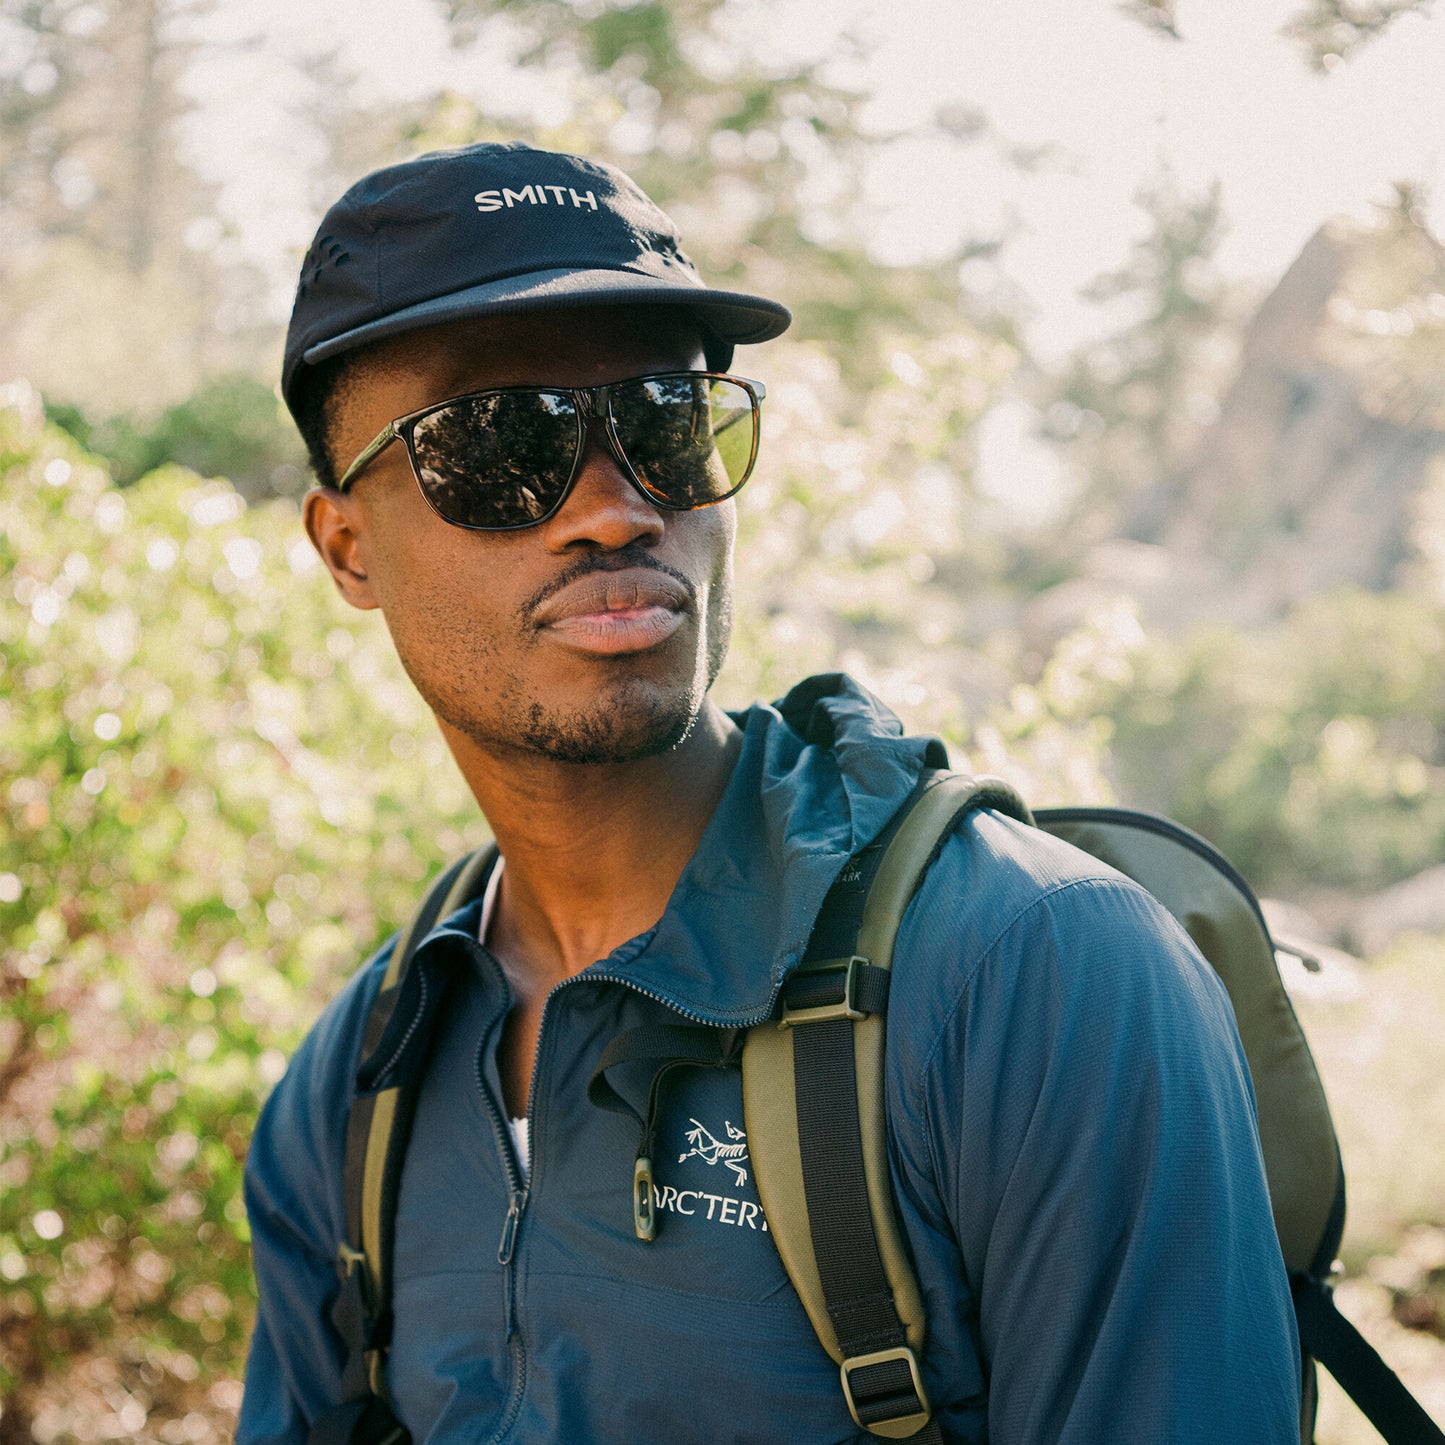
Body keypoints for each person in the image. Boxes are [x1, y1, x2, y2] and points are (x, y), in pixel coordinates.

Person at [239, 141, 1302, 1444]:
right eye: (501, 443)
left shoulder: (1030, 981)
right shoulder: (355, 1091)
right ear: (346, 546)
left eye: (663, 420)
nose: (615, 507)